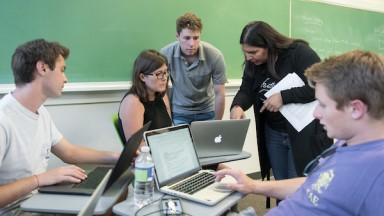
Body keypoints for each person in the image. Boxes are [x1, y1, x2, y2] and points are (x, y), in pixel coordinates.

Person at [216, 50, 384, 215]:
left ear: (356, 109)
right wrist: (253, 186)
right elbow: (316, 184)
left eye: (323, 105)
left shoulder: (377, 174)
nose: (316, 114)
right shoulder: (349, 142)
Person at [0, 39, 120, 215]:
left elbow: (69, 152)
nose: (66, 78)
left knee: (108, 200)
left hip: (38, 200)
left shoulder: (40, 112)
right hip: (15, 211)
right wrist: (39, 179)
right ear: (42, 68)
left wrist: (116, 157)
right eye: (62, 70)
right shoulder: (4, 119)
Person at [230, 21, 333, 183]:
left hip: (302, 132)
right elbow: (246, 91)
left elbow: (320, 86)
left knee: (295, 183)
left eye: (253, 52)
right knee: (280, 183)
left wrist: (283, 97)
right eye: (245, 53)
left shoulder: (299, 53)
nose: (249, 57)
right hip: (273, 132)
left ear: (268, 45)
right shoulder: (253, 64)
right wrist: (237, 105)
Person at [161, 12, 227, 125]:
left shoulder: (215, 56)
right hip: (179, 111)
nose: (191, 43)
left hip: (207, 111)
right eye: (186, 38)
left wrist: (217, 124)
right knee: (182, 143)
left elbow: (220, 93)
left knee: (208, 143)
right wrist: (168, 119)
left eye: (196, 38)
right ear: (177, 36)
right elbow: (162, 91)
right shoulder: (165, 55)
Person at [118, 49, 172, 145]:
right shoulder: (132, 102)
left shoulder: (162, 95)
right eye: (159, 74)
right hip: (146, 157)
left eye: (166, 72)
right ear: (142, 77)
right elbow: (137, 147)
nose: (165, 78)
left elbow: (169, 129)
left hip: (165, 150)